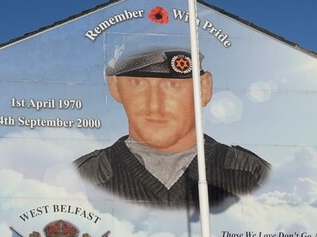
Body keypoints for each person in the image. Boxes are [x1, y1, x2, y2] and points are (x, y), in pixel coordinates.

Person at [74, 45, 270, 210]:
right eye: (138, 84)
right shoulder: (85, 175)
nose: (155, 105)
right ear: (115, 87)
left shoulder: (249, 173)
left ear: (204, 89)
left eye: (173, 86)